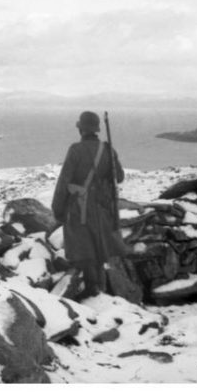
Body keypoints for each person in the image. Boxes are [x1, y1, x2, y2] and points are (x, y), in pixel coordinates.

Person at [52, 111, 126, 299]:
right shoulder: (108, 149)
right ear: (97, 129)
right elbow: (119, 177)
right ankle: (99, 288)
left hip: (80, 207)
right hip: (103, 207)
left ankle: (93, 290)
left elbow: (64, 181)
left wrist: (58, 209)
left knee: (83, 247)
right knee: (100, 246)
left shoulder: (75, 149)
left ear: (81, 129)